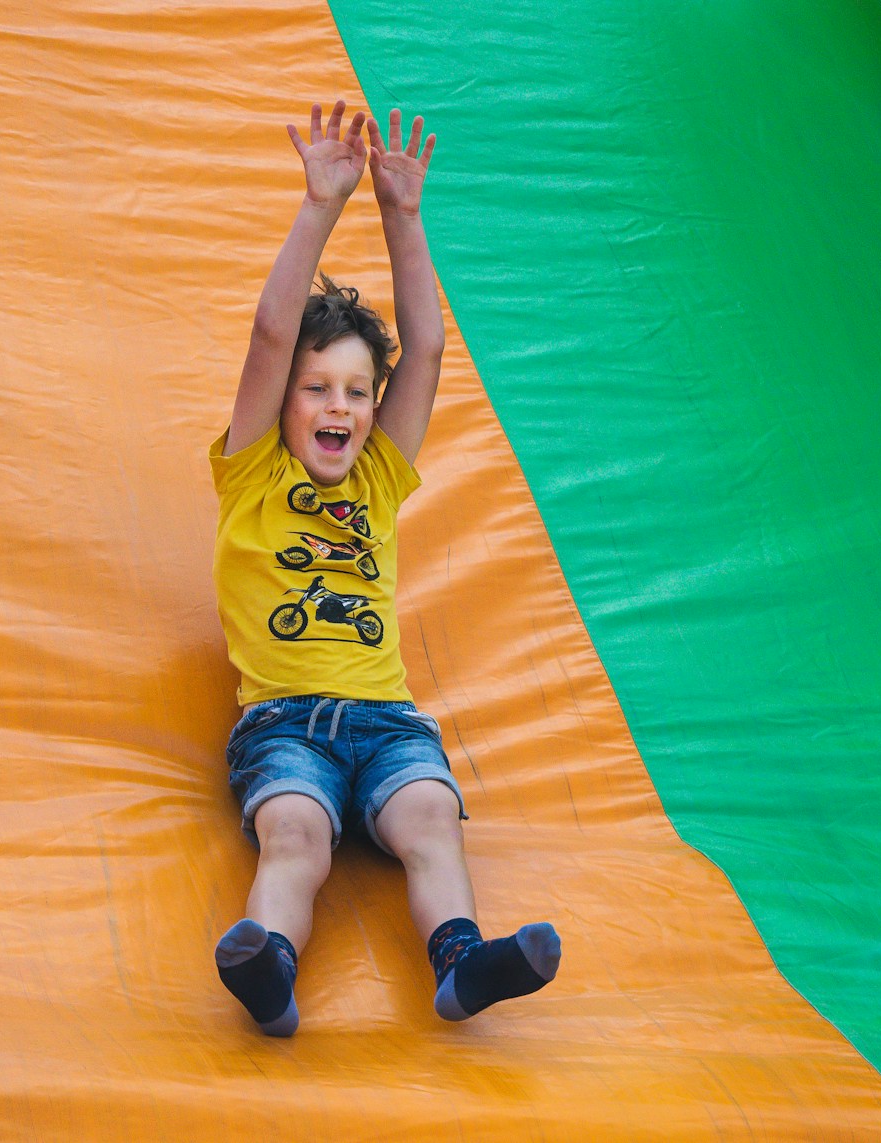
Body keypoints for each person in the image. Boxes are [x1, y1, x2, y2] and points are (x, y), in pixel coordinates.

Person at [209, 100, 561, 1036]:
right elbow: (269, 333)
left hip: (389, 722)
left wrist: (404, 216)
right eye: (319, 388)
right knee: (297, 835)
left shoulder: (377, 477)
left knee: (428, 819)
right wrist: (323, 202)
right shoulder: (253, 471)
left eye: (358, 392)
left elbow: (431, 349)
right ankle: (269, 965)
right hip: (283, 721)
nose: (340, 405)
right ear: (284, 403)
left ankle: (461, 961)